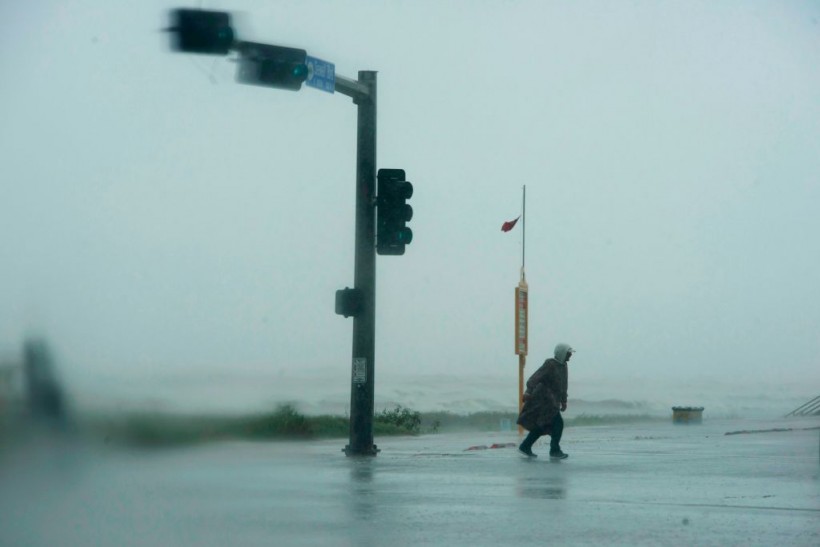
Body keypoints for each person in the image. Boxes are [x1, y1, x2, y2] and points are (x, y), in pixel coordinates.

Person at [516, 343, 574, 459]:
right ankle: (554, 451)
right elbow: (535, 378)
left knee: (542, 425)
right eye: (568, 353)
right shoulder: (550, 364)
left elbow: (564, 385)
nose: (570, 356)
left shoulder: (564, 366)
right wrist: (528, 391)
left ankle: (525, 446)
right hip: (543, 400)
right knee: (558, 423)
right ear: (562, 353)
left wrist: (564, 400)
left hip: (553, 402)